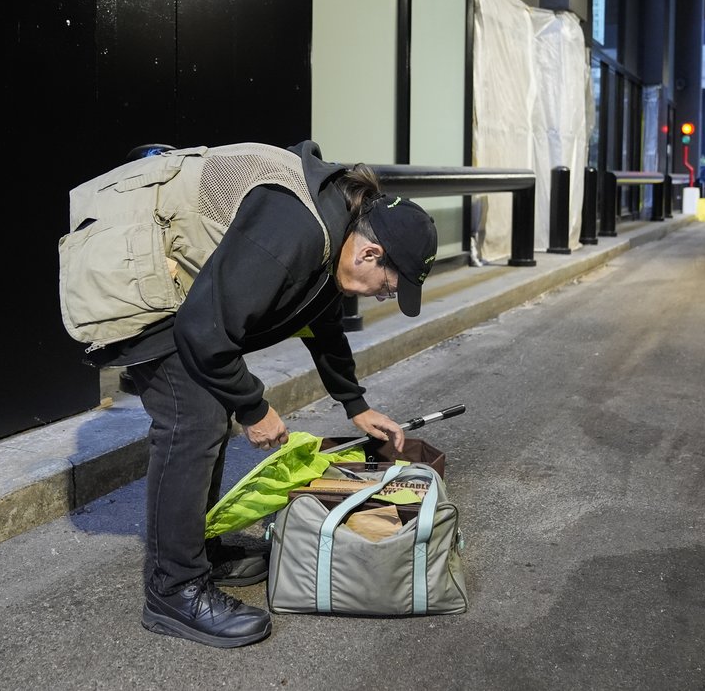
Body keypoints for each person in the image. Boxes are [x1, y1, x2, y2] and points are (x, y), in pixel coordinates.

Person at [62, 141, 438, 648]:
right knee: (194, 417)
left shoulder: (339, 228)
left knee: (209, 405)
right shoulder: (297, 230)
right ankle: (173, 591)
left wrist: (356, 404)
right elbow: (204, 331)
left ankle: (197, 549)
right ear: (371, 253)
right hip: (128, 268)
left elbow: (322, 322)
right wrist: (254, 408)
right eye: (388, 286)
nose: (383, 295)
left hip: (182, 283)